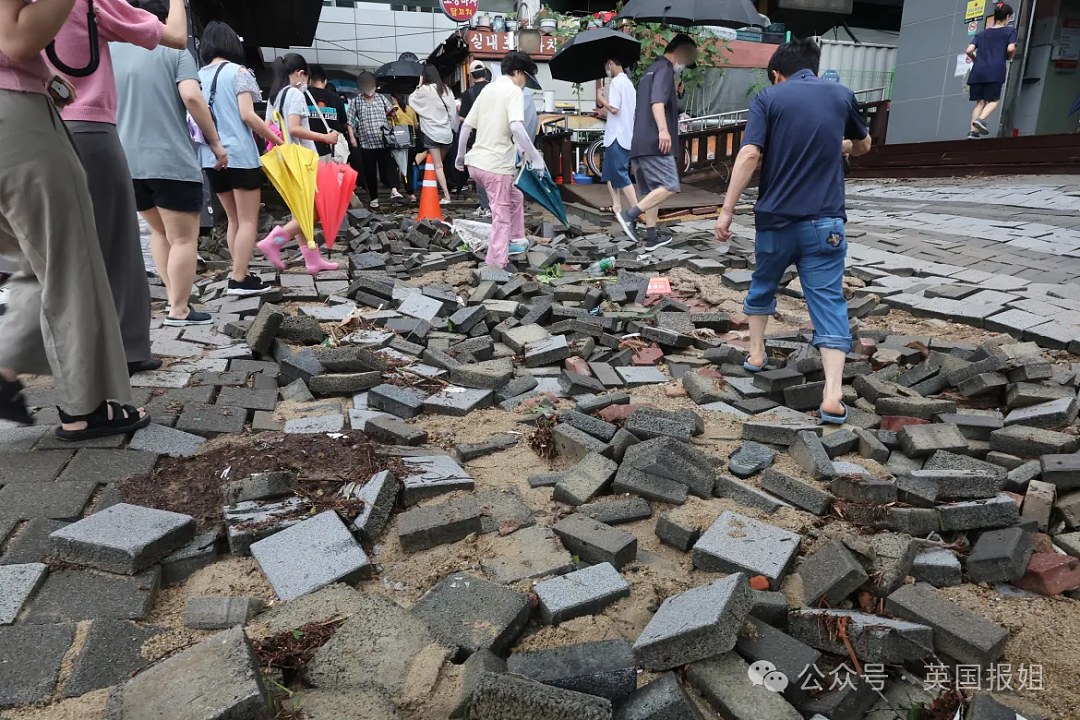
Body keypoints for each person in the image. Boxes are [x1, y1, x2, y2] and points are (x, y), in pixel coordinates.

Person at [0, 0, 150, 439]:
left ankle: (6, 367)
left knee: (33, 262)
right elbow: (17, 38)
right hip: (16, 116)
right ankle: (86, 406)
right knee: (70, 263)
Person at [714, 38, 871, 424]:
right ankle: (833, 394)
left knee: (763, 283)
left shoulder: (769, 98)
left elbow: (750, 153)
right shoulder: (841, 95)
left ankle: (755, 354)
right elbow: (865, 145)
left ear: (776, 73)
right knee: (829, 301)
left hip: (776, 222)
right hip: (826, 224)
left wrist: (727, 209)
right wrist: (844, 145)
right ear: (813, 68)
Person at [51, 0, 188, 374]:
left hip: (36, 125)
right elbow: (175, 36)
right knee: (117, 244)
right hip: (89, 125)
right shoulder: (88, 3)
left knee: (55, 248)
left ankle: (65, 351)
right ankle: (127, 349)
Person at [112, 0, 225, 328]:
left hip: (127, 162)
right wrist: (215, 142)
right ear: (165, 19)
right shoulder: (174, 50)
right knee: (184, 239)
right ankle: (179, 309)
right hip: (170, 160)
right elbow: (192, 96)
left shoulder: (114, 50)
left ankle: (174, 299)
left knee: (159, 233)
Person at [198, 22, 282, 296]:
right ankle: (238, 279)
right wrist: (277, 140)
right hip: (240, 155)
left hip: (211, 156)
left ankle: (241, 271)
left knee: (233, 219)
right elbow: (247, 114)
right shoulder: (239, 72)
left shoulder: (198, 76)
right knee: (247, 220)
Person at [456, 50, 546, 269]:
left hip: (475, 164)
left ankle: (515, 240)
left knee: (515, 196)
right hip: (496, 168)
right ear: (517, 73)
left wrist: (460, 157)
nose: (524, 84)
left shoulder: (487, 90)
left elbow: (467, 125)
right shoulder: (513, 91)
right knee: (501, 215)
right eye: (525, 78)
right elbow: (516, 126)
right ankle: (496, 264)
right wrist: (536, 157)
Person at [256, 53, 340, 275]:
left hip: (285, 160)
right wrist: (325, 137)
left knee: (299, 211)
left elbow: (266, 126)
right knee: (313, 212)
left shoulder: (275, 95)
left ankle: (312, 259)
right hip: (301, 159)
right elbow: (294, 128)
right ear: (302, 74)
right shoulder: (294, 93)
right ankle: (274, 241)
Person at [616, 33, 698, 253]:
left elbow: (656, 100)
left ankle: (651, 236)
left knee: (654, 190)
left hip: (641, 141)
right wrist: (663, 131)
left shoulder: (650, 71)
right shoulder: (664, 70)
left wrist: (675, 93)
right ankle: (629, 215)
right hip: (656, 141)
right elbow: (657, 103)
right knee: (670, 186)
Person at [347, 71, 402, 208]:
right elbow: (350, 121)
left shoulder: (381, 98)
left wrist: (393, 114)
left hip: (383, 140)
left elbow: (392, 113)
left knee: (390, 165)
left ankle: (394, 190)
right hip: (366, 143)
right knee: (369, 171)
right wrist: (352, 137)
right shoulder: (356, 101)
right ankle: (374, 197)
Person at [966, 2, 1016, 139]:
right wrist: (1008, 57)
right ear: (1008, 17)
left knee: (979, 102)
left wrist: (975, 59)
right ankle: (980, 120)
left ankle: (973, 132)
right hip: (995, 71)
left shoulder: (982, 34)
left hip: (977, 72)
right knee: (993, 101)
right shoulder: (1010, 31)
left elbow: (969, 50)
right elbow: (1011, 49)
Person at [595, 56, 638, 216]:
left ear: (610, 63)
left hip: (617, 136)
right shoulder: (629, 85)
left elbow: (614, 109)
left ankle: (635, 208)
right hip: (624, 133)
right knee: (609, 173)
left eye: (607, 66)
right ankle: (617, 205)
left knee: (619, 173)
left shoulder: (617, 82)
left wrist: (601, 99)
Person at [410, 63, 457, 205]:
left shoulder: (424, 90)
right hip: (446, 134)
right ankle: (432, 190)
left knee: (437, 166)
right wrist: (448, 126)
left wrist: (418, 85)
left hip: (431, 133)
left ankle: (446, 196)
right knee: (440, 165)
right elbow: (453, 113)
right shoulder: (446, 89)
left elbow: (412, 101)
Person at [459, 61, 491, 216]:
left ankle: (486, 207)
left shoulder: (468, 94)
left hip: (478, 137)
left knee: (480, 171)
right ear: (485, 73)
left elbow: (462, 119)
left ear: (471, 76)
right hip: (497, 135)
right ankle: (496, 205)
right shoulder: (495, 90)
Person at [307, 64, 349, 160]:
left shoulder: (302, 96)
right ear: (325, 81)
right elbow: (344, 123)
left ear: (309, 80)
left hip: (308, 150)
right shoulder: (336, 98)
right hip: (332, 151)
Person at [390, 93, 419, 201]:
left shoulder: (393, 109)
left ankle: (395, 189)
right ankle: (411, 193)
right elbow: (416, 125)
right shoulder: (410, 109)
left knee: (394, 165)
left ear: (394, 98)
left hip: (398, 141)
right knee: (408, 167)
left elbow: (390, 125)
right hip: (411, 141)